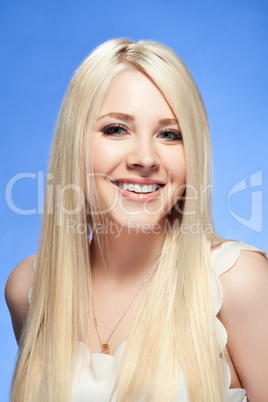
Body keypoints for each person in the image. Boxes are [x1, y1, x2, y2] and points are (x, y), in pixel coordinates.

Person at [5, 39, 268, 402]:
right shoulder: (30, 287)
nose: (145, 157)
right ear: (75, 142)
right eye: (116, 129)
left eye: (170, 134)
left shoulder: (240, 283)